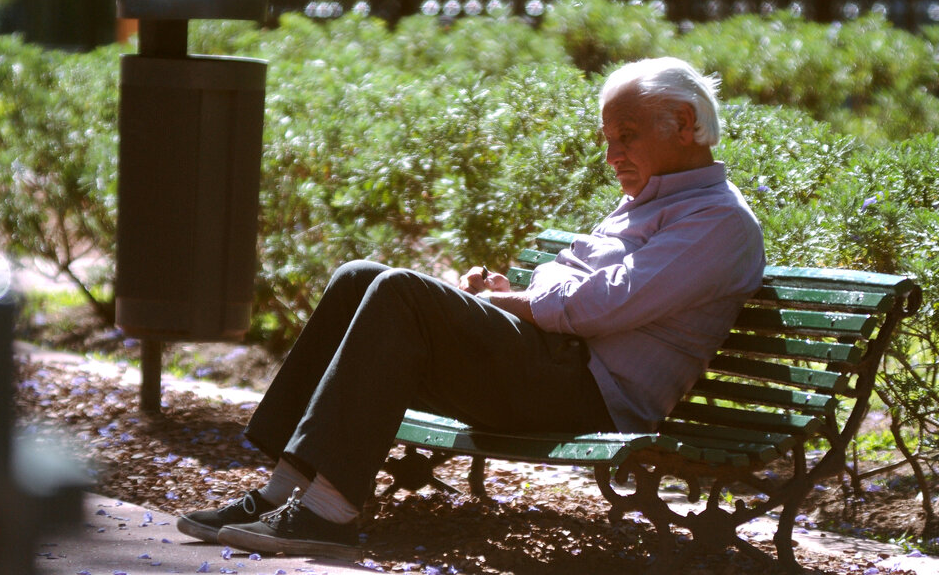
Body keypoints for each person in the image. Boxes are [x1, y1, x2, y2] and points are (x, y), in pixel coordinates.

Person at [176, 57, 766, 559]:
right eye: (608, 138)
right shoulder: (648, 197)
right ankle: (283, 489)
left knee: (401, 291)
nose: (612, 155)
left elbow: (600, 304)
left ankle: (330, 512)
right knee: (362, 278)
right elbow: (576, 285)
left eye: (626, 135)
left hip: (592, 396)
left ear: (684, 124)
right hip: (554, 365)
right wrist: (511, 295)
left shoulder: (719, 223)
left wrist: (512, 302)